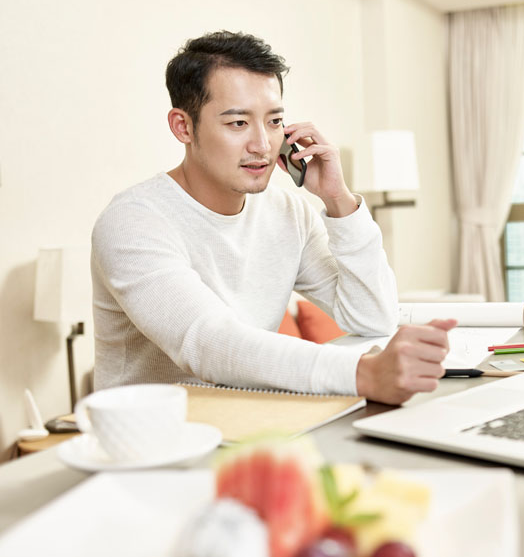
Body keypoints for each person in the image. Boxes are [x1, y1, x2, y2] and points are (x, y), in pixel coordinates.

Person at [91, 31, 456, 405]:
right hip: (145, 441)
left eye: (275, 121)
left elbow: (373, 318)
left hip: (251, 421)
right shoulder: (132, 221)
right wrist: (362, 373)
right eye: (238, 123)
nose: (263, 145)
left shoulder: (288, 213)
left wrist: (338, 199)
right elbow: (208, 343)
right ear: (183, 126)